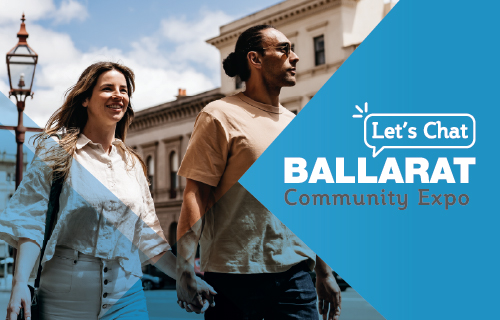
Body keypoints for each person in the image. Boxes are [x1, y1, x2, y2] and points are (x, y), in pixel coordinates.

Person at [0, 61, 214, 320]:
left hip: (127, 297)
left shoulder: (132, 163)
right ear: (85, 99)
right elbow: (31, 221)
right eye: (107, 88)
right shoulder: (56, 151)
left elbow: (150, 239)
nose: (118, 95)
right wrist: (20, 282)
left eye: (124, 90)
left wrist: (185, 276)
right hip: (63, 301)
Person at [175, 25, 342, 320]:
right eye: (284, 49)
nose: (296, 57)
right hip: (233, 277)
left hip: (295, 277)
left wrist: (324, 271)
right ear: (255, 59)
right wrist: (185, 267)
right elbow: (196, 192)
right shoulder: (219, 114)